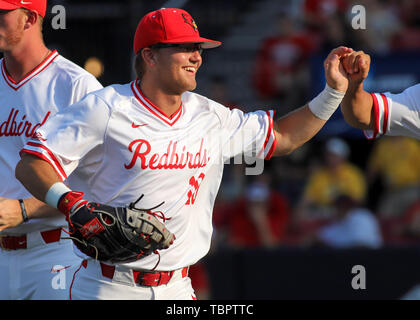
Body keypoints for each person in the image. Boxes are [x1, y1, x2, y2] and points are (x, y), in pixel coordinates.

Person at [15, 8, 352, 300]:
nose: (197, 56)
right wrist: (71, 203)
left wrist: (333, 92)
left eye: (198, 48)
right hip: (105, 285)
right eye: (184, 48)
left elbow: (283, 136)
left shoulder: (211, 117)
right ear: (149, 56)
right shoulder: (106, 108)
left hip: (178, 286)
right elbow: (31, 164)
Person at [0, 0, 102, 300]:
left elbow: (97, 183)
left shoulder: (77, 86)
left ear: (30, 18)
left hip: (57, 251)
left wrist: (24, 208)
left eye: (2, 13)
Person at [294, 137, 367, 221]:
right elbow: (306, 199)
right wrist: (300, 209)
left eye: (334, 155)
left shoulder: (353, 174)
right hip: (323, 212)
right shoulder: (319, 175)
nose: (330, 158)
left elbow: (358, 200)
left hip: (347, 213)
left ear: (343, 157)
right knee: (304, 214)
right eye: (328, 154)